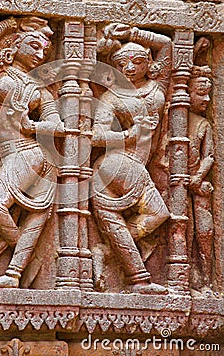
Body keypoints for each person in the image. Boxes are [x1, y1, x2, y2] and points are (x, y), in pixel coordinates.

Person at [0, 16, 63, 288]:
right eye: (34, 47)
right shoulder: (1, 73)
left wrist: (33, 126)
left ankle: (17, 253)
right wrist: (11, 23)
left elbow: (57, 125)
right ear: (15, 47)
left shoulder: (37, 88)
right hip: (13, 153)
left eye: (44, 51)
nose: (40, 55)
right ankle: (18, 265)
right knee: (28, 214)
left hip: (29, 153)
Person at [91, 23, 171, 294]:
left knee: (152, 215)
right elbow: (95, 136)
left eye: (138, 62)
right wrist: (130, 134)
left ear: (149, 63)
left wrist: (133, 34)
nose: (130, 68)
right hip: (118, 163)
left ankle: (116, 256)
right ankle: (133, 273)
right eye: (122, 63)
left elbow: (169, 47)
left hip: (133, 166)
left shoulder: (156, 89)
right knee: (159, 213)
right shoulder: (112, 96)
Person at [188, 65, 214, 292]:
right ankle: (183, 280)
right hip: (176, 185)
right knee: (183, 231)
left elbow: (209, 157)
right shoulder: (172, 120)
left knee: (205, 231)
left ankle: (205, 280)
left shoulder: (202, 124)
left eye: (208, 93)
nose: (206, 99)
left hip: (197, 186)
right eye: (200, 93)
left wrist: (197, 178)